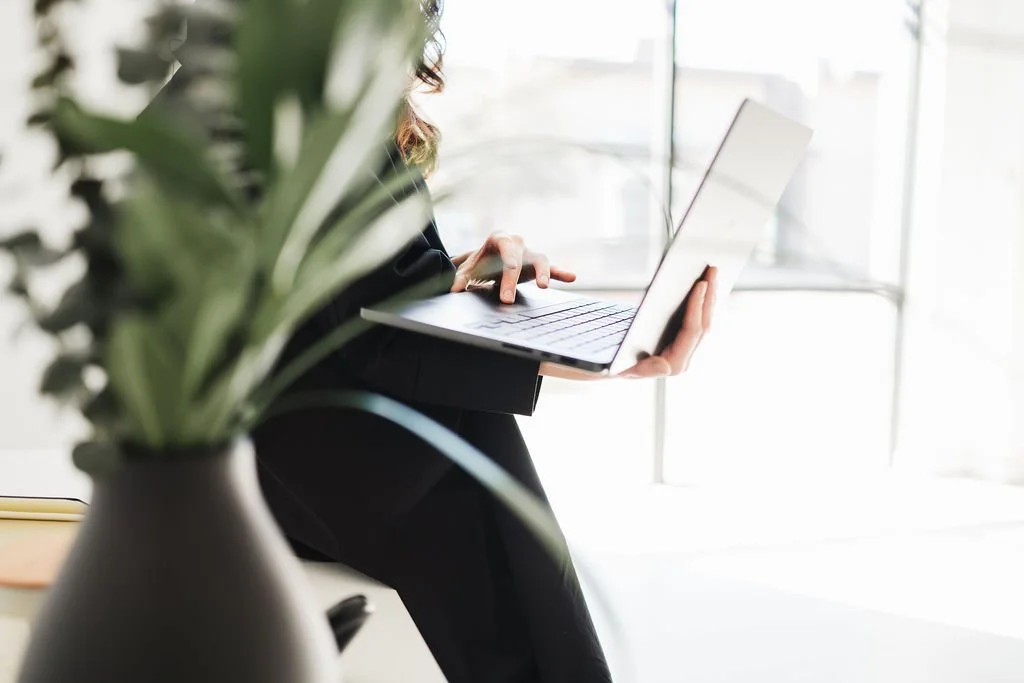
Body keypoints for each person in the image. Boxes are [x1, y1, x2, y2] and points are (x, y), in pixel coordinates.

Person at [253, 2, 718, 681]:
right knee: (491, 513)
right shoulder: (298, 88)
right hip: (304, 453)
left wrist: (462, 281)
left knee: (489, 489)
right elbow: (371, 327)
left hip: (298, 434)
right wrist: (620, 353)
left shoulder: (304, 75)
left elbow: (365, 291)